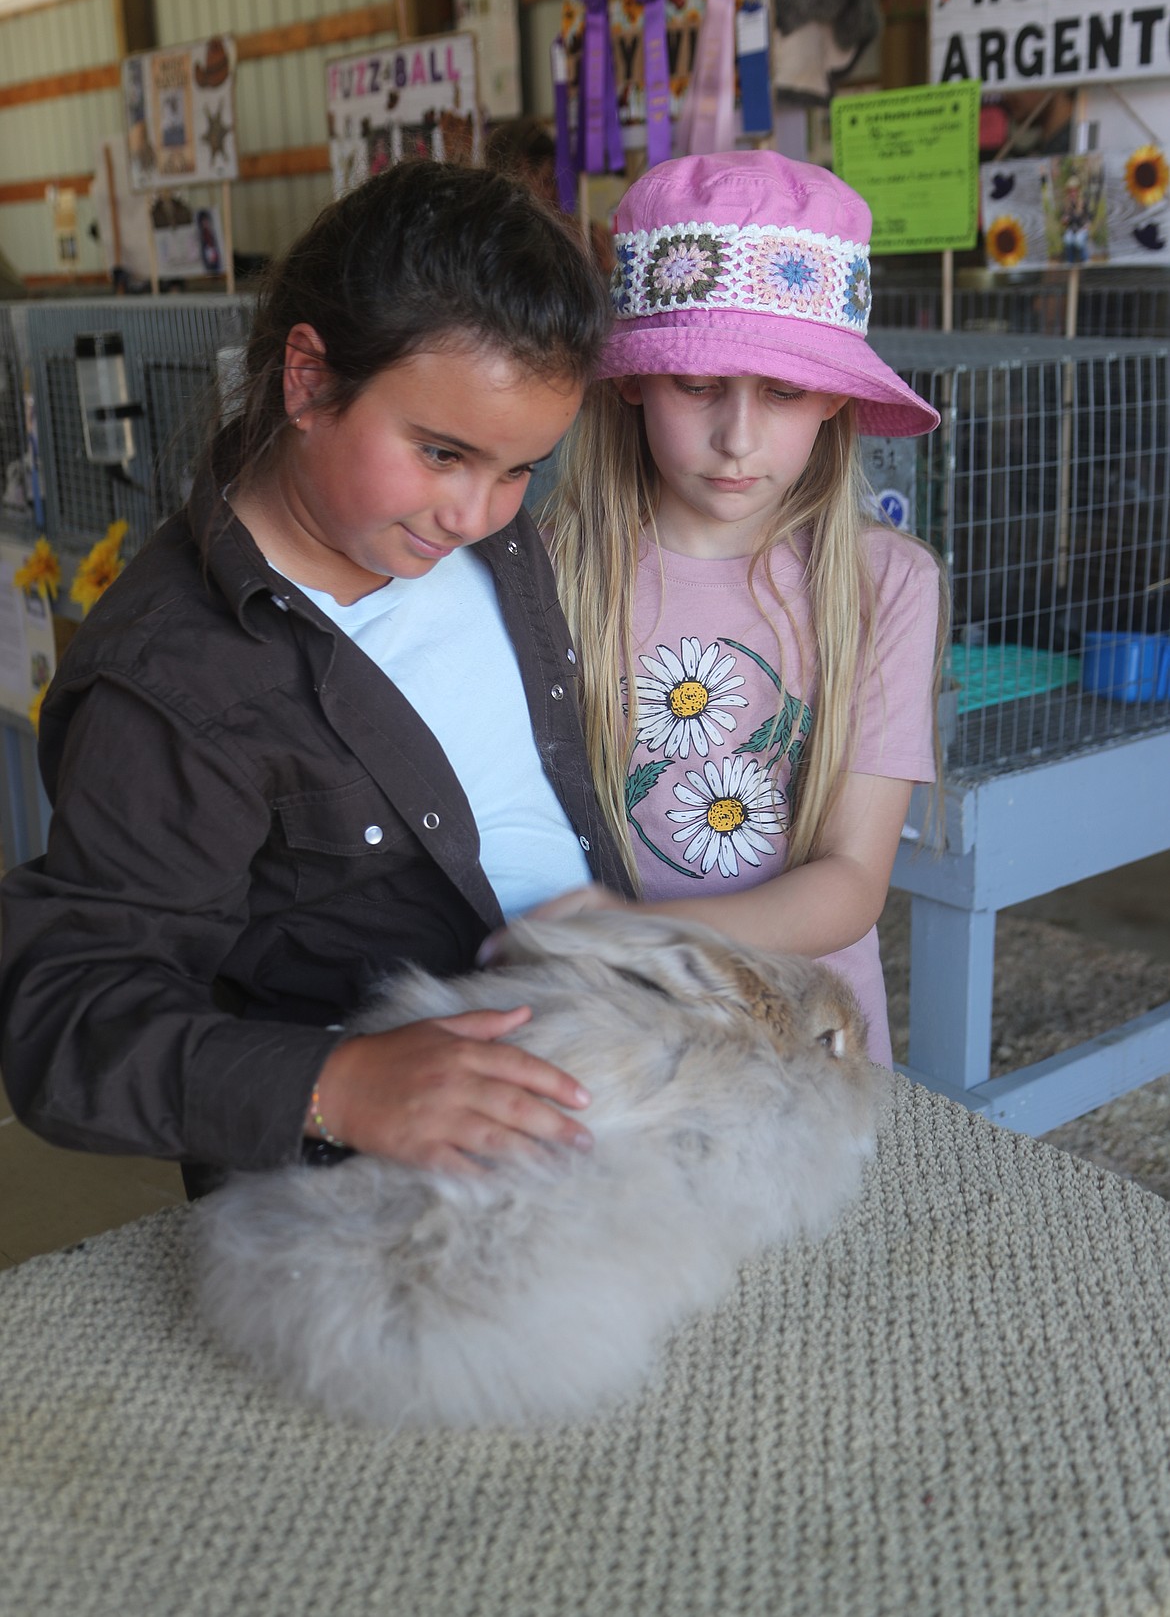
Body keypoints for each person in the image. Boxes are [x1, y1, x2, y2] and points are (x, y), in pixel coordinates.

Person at [0, 160, 631, 1192]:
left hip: (595, 1087)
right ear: (308, 379)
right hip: (367, 1199)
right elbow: (66, 1022)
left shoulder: (486, 546)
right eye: (441, 454)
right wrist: (340, 1084)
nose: (476, 512)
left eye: (518, 470)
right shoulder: (173, 680)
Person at [544, 151, 947, 1066]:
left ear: (836, 398)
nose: (736, 437)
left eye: (783, 391)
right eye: (697, 384)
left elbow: (850, 881)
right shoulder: (549, 570)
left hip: (808, 1049)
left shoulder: (886, 584)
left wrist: (654, 942)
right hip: (606, 1041)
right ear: (632, 380)